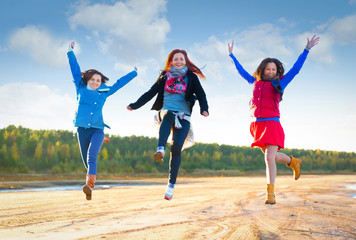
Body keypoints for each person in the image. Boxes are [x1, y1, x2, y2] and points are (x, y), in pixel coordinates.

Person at [228, 35, 319, 204]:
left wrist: (306, 50)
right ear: (262, 70)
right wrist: (232, 56)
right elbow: (241, 71)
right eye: (267, 69)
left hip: (272, 123)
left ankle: (271, 194)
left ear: (277, 71)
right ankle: (293, 162)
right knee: (274, 156)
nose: (270, 72)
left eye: (273, 69)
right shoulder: (254, 82)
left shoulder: (280, 83)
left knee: (269, 158)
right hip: (257, 125)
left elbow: (296, 69)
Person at [127, 49, 209, 200]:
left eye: (181, 59)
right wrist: (135, 105)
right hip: (165, 113)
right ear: (171, 61)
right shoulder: (165, 76)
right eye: (175, 59)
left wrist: (204, 109)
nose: (178, 62)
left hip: (184, 116)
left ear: (185, 61)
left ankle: (170, 186)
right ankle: (160, 150)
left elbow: (201, 94)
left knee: (176, 148)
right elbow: (150, 92)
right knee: (169, 114)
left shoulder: (191, 77)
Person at [67, 42, 137, 200]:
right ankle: (90, 182)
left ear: (101, 82)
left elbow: (119, 84)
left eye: (98, 80)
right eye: (92, 79)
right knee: (87, 161)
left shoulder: (104, 92)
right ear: (87, 80)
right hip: (82, 130)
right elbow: (74, 69)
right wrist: (70, 52)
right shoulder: (81, 87)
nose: (95, 82)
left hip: (97, 129)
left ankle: (89, 185)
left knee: (92, 155)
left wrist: (134, 73)